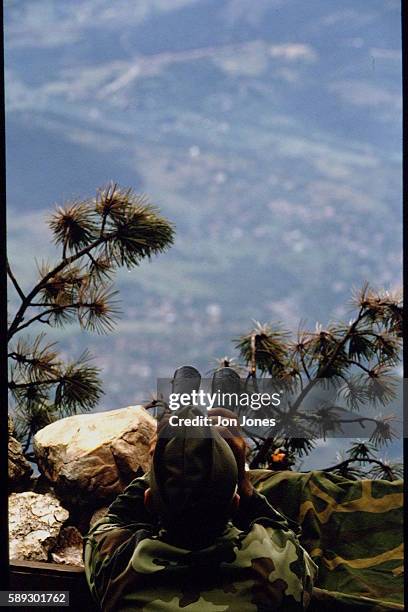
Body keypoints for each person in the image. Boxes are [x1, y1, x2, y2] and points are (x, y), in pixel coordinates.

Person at [84, 406, 317, 611]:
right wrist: (243, 480)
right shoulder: (276, 570)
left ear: (148, 500)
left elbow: (111, 523)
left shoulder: (118, 569)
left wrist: (162, 463)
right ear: (235, 503)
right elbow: (284, 536)